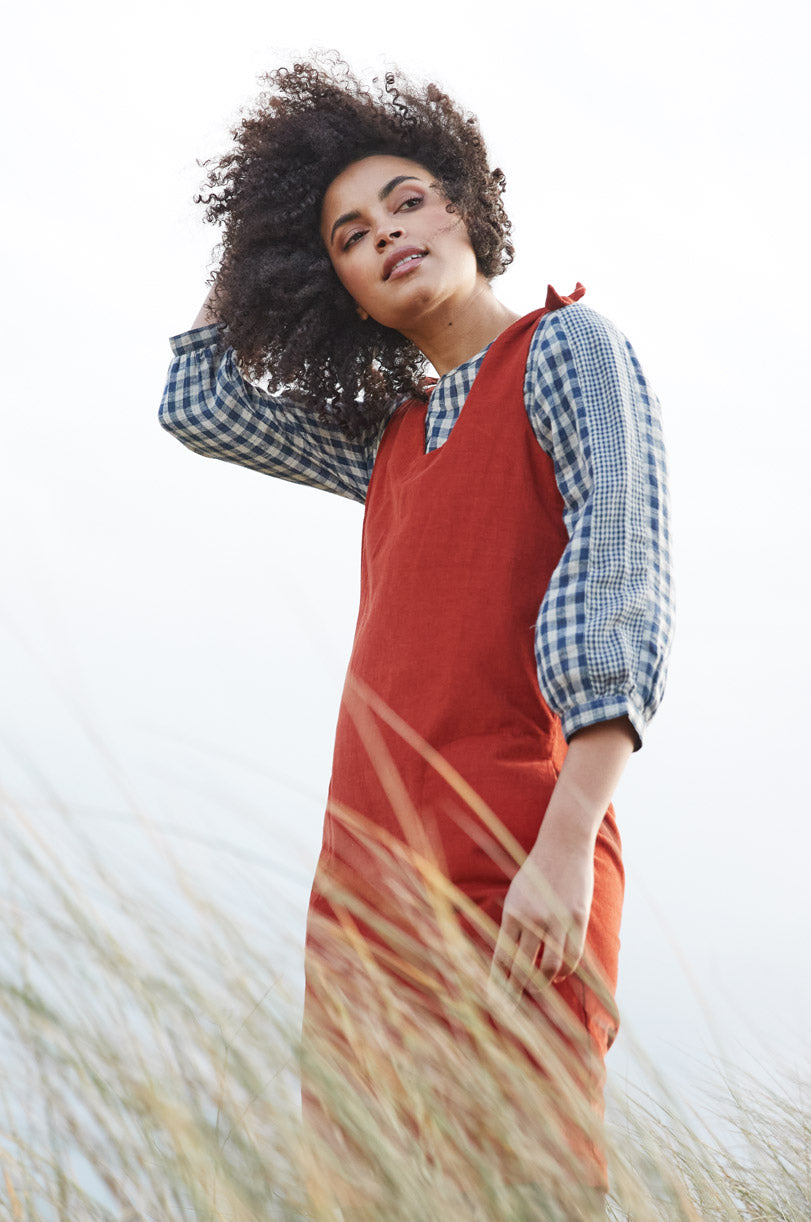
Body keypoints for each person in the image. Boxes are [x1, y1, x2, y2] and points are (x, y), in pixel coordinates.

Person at [159, 58, 673, 1208]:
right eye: (346, 234)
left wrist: (565, 840)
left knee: (524, 1185)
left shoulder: (566, 353)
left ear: (464, 206)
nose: (385, 232)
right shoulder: (392, 440)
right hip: (363, 884)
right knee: (361, 1192)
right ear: (331, 283)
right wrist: (254, 263)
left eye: (406, 198)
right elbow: (199, 406)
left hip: (520, 854)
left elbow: (618, 581)